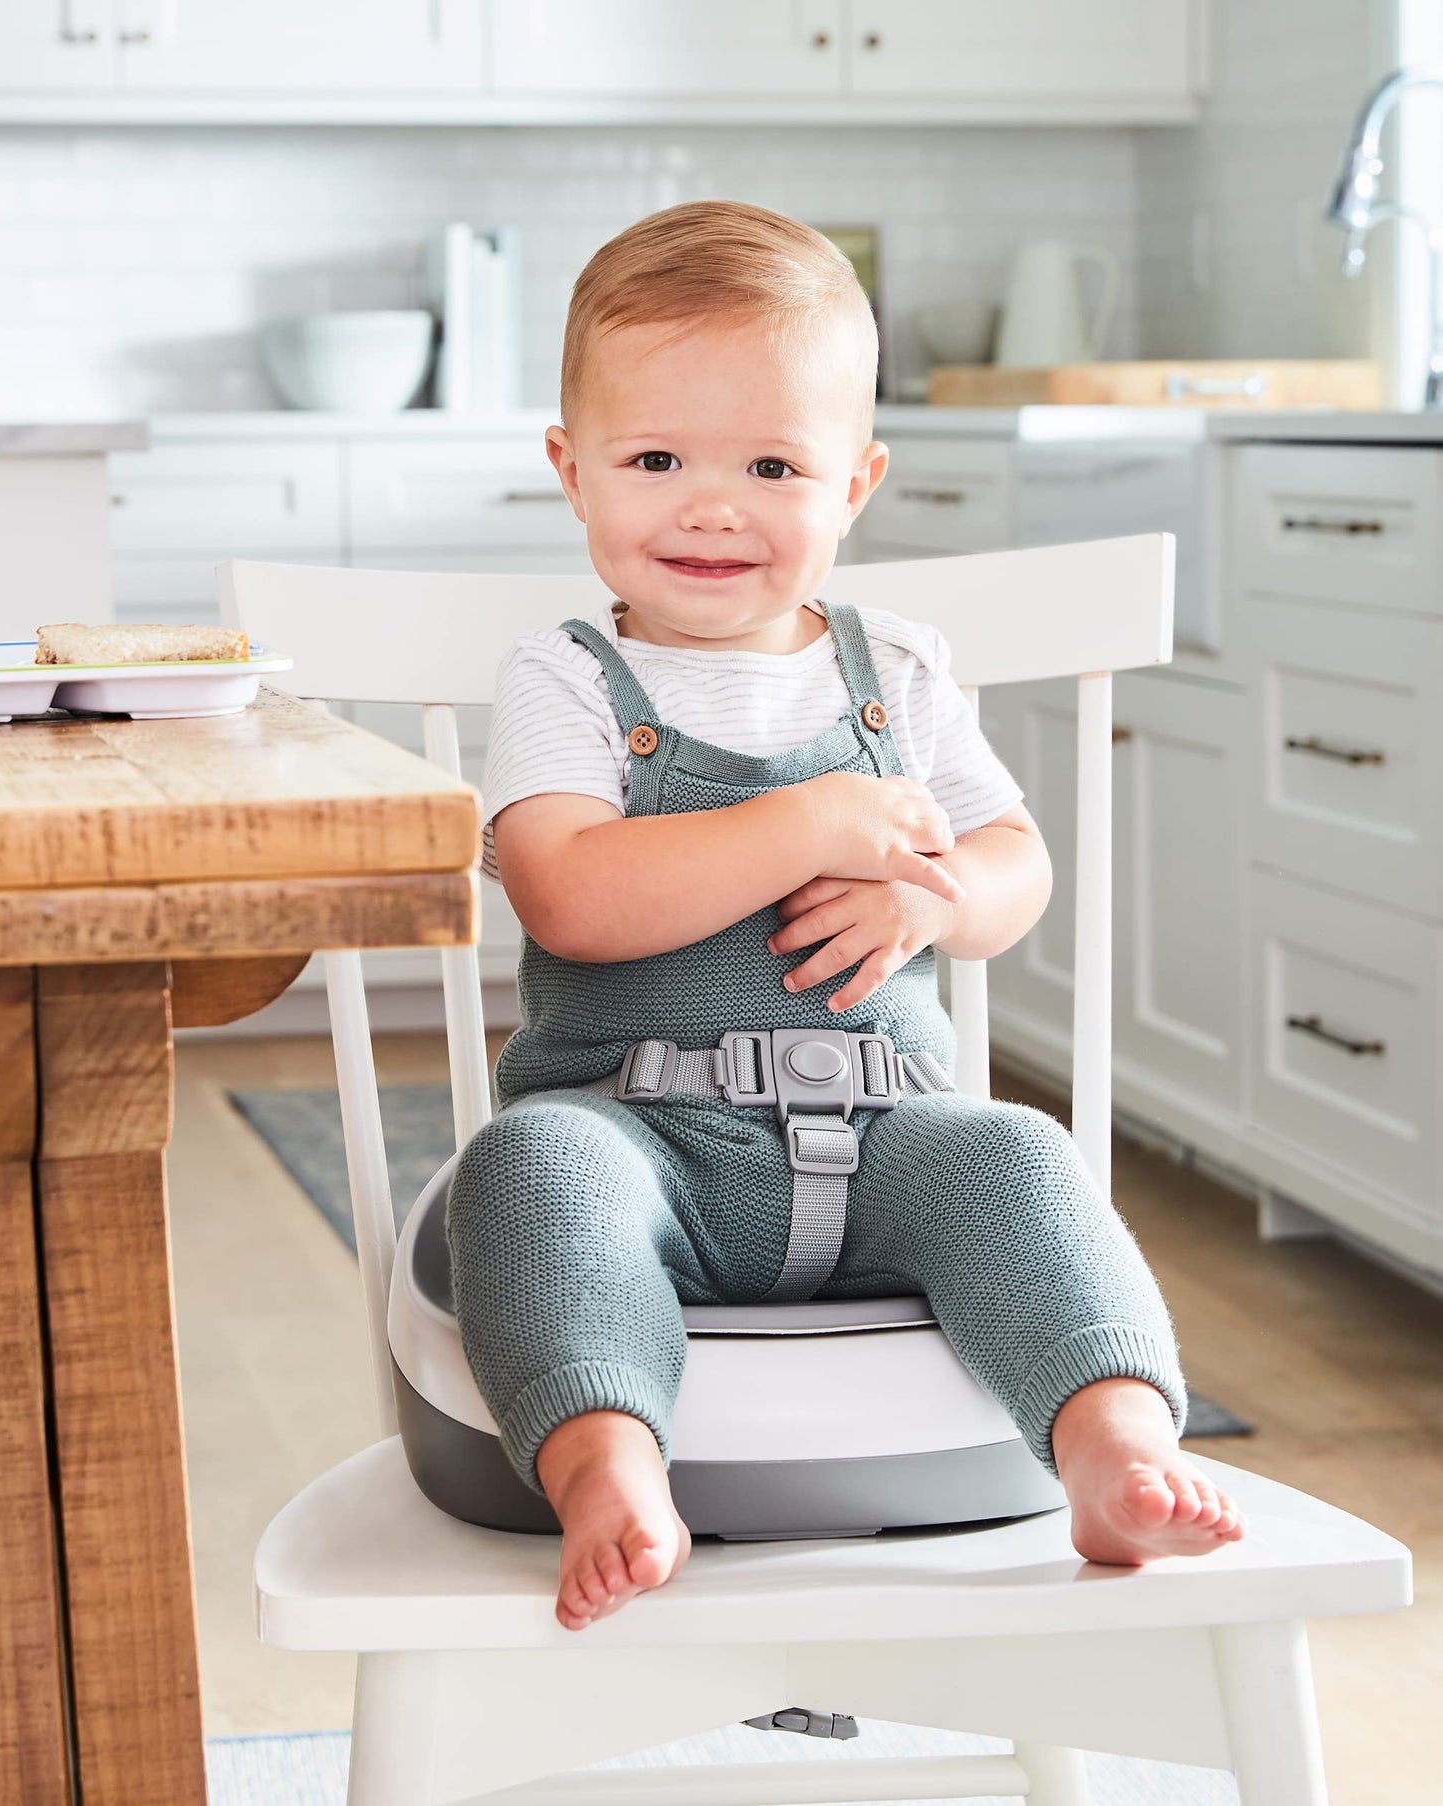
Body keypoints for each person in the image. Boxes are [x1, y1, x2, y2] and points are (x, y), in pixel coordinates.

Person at [449, 199, 1245, 1634]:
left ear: (855, 480)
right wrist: (810, 824)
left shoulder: (900, 672)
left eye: (770, 463)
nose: (709, 504)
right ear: (571, 472)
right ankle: (609, 1467)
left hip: (887, 1131)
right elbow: (570, 894)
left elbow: (1012, 871)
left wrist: (935, 898)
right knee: (527, 1175)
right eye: (654, 459)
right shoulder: (563, 679)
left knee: (1016, 1154)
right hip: (636, 1134)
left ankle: (1113, 1445)